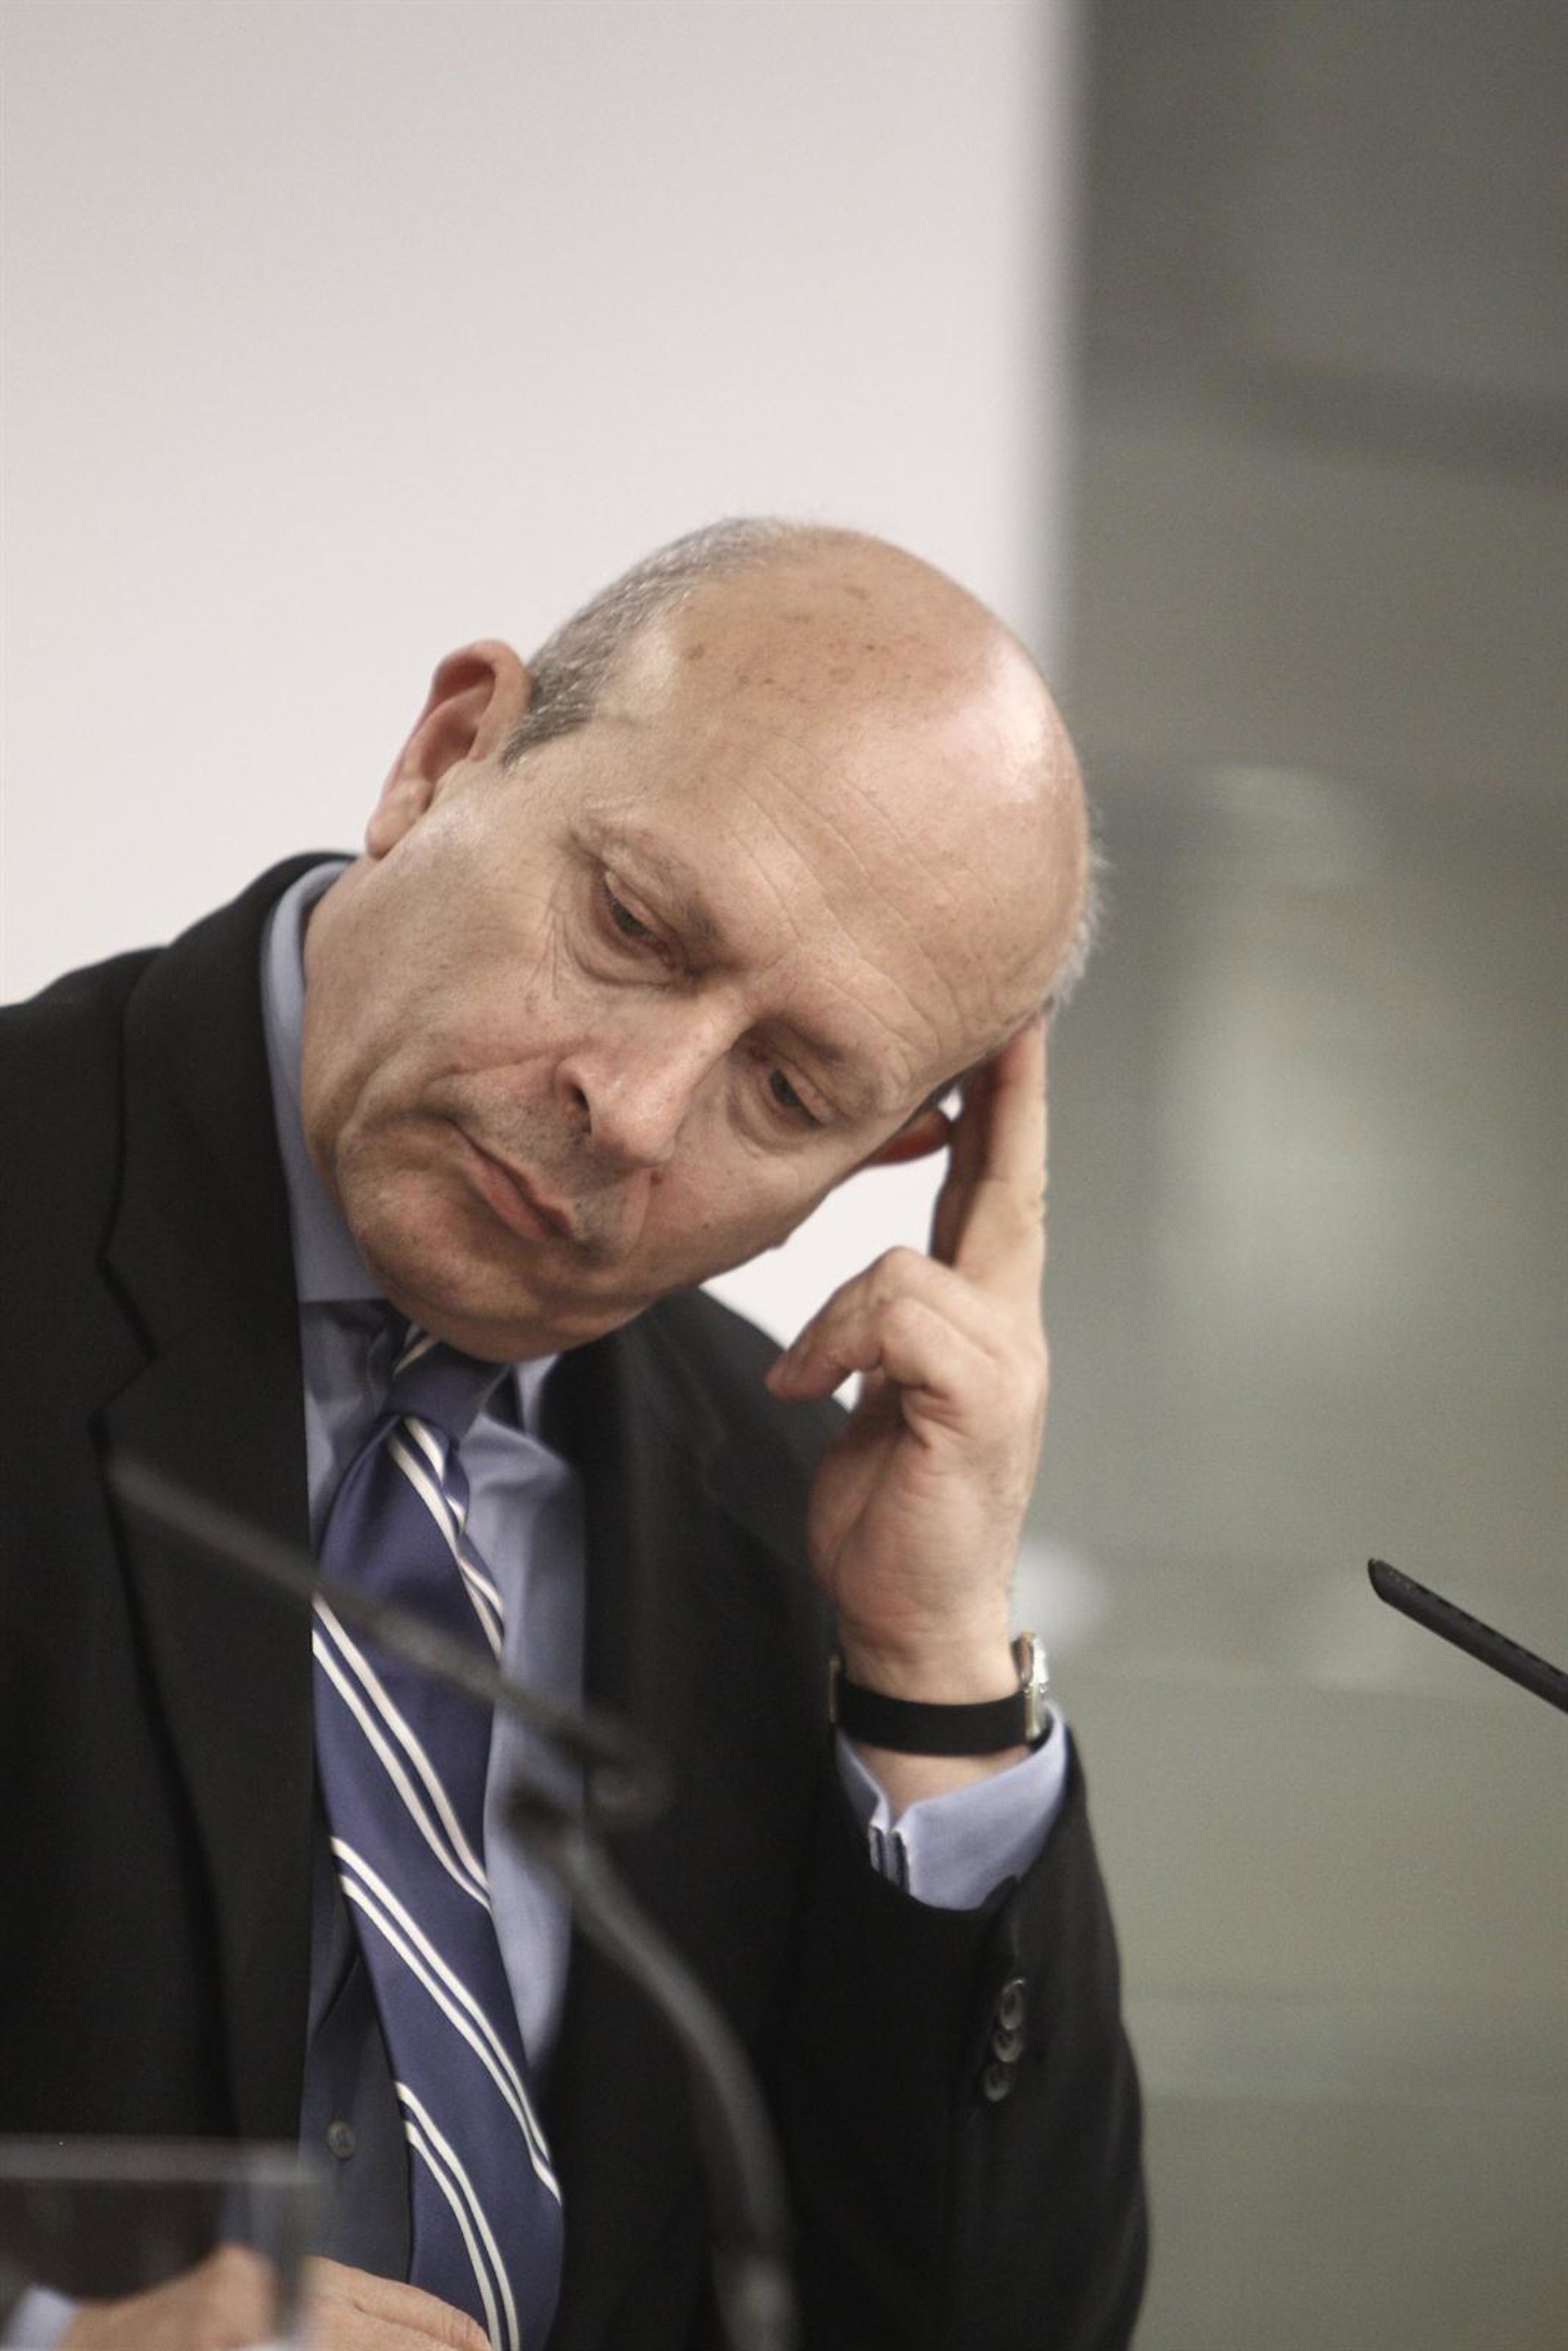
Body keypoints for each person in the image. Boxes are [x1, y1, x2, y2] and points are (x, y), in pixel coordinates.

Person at [0, 521, 1147, 2349]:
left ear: (889, 1156)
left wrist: (934, 1670)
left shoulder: (793, 1513)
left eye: (791, 1090)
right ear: (446, 754)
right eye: (631, 928)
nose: (635, 1109)